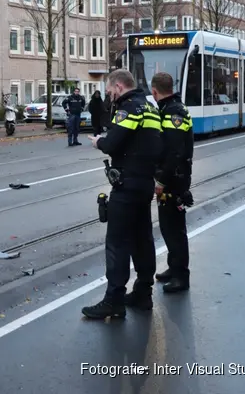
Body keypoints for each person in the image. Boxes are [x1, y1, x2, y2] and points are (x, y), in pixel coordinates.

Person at [82, 69, 163, 320]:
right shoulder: (150, 108)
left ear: (118, 86)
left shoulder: (129, 109)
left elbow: (113, 143)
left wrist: (99, 142)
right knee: (143, 239)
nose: (109, 96)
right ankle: (143, 293)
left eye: (109, 92)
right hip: (144, 183)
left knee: (117, 243)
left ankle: (113, 299)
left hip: (127, 185)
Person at [151, 72, 194, 293]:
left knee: (175, 229)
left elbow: (174, 151)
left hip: (174, 179)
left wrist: (161, 180)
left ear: (154, 91)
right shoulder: (172, 107)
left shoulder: (173, 111)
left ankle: (181, 276)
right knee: (168, 227)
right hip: (174, 176)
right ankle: (173, 267)